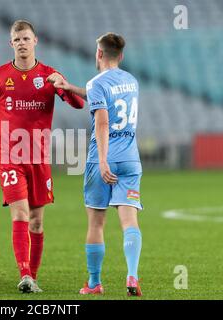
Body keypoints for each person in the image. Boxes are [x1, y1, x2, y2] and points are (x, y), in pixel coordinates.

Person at [0, 20, 84, 293]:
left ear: (35, 41)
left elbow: (78, 103)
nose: (22, 43)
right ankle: (24, 274)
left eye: (26, 38)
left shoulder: (49, 74)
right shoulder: (0, 75)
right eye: (17, 39)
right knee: (21, 213)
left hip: (39, 156)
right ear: (11, 43)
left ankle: (32, 277)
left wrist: (66, 86)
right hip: (10, 155)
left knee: (37, 222)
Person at [49, 33, 143, 296]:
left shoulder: (97, 82)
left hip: (101, 160)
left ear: (99, 54)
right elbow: (104, 97)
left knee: (96, 223)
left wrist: (102, 161)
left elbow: (102, 120)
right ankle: (132, 275)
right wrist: (70, 88)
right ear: (121, 56)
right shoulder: (131, 81)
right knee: (129, 221)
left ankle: (94, 283)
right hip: (130, 159)